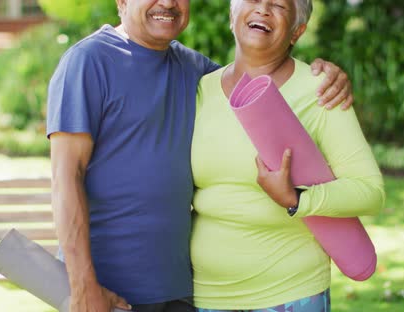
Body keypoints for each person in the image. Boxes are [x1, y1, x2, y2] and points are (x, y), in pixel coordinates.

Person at [46, 0, 353, 311]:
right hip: (106, 291)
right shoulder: (88, 61)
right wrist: (83, 284)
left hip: (181, 290)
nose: (168, 3)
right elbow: (65, 178)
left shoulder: (196, 70)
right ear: (122, 2)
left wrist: (324, 76)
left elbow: (264, 80)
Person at [190, 0, 385, 311]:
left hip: (289, 294)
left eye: (279, 5)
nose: (263, 9)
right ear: (232, 15)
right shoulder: (200, 90)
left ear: (297, 31)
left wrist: (297, 199)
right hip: (206, 298)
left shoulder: (321, 90)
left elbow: (370, 192)